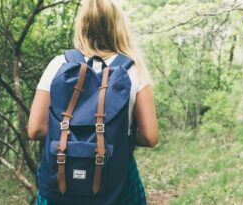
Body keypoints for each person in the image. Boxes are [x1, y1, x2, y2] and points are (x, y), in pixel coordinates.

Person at [27, 0, 158, 204]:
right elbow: (150, 137)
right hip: (116, 183)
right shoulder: (134, 70)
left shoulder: (57, 65)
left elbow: (35, 129)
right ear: (118, 26)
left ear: (82, 25)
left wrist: (72, 136)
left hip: (60, 181)